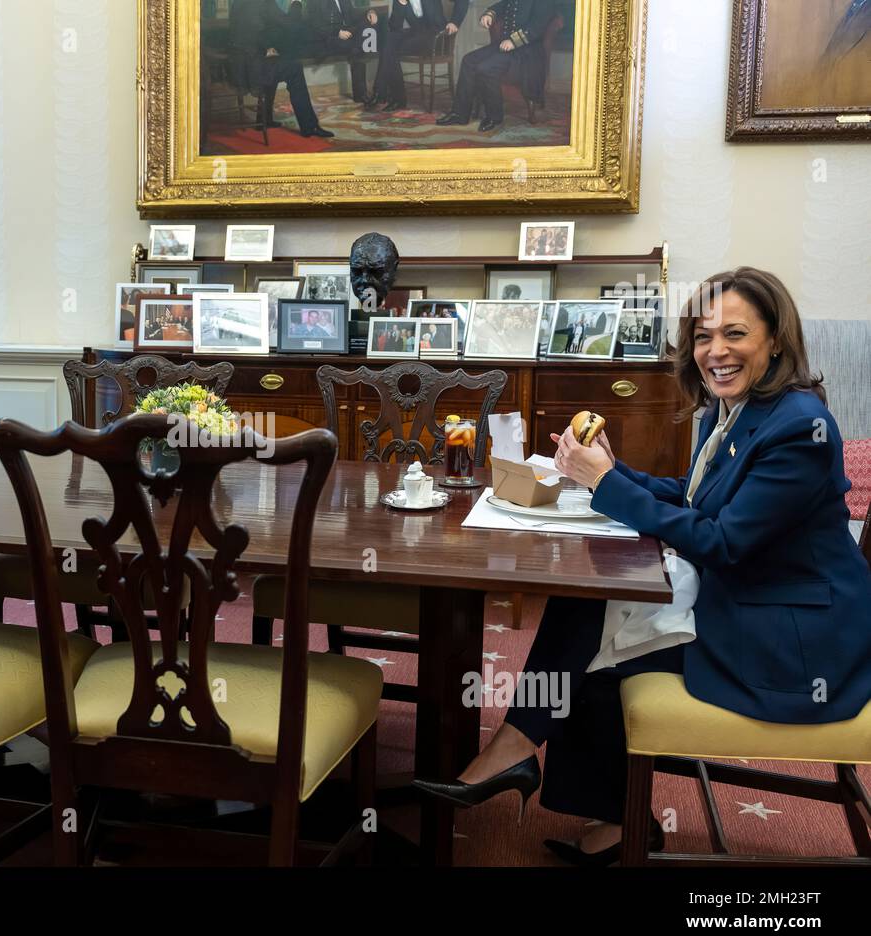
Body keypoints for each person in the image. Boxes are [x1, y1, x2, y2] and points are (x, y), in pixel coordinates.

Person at [414, 267, 871, 864]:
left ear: (776, 340)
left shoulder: (799, 429)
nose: (715, 351)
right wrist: (612, 470)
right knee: (592, 598)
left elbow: (723, 541)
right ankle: (581, 798)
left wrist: (606, 485)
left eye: (735, 333)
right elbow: (693, 496)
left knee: (596, 631)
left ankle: (522, 757)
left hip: (790, 638)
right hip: (748, 599)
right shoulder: (735, 412)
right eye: (703, 336)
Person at [436, 0, 556, 132]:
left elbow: (537, 27)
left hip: (527, 53)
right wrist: (489, 14)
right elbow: (503, 4)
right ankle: (459, 114)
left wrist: (513, 41)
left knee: (487, 68)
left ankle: (494, 117)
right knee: (468, 60)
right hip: (506, 46)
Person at [231, 0, 335, 138]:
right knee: (294, 68)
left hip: (239, 68)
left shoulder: (238, 3)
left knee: (275, 61)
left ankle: (265, 119)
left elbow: (247, 31)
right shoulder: (265, 3)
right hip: (253, 70)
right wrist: (296, 5)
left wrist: (266, 47)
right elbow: (290, 24)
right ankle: (309, 127)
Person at [368, 0, 469, 111]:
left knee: (390, 48)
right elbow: (395, 27)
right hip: (416, 35)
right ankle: (389, 95)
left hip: (437, 37)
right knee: (389, 41)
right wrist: (401, 4)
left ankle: (388, 95)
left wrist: (454, 22)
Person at [307, 0, 377, 102]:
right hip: (327, 38)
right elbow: (315, 25)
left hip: (347, 35)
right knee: (357, 47)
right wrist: (337, 32)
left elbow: (354, 15)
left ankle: (361, 95)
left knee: (358, 41)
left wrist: (370, 12)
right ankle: (361, 94)